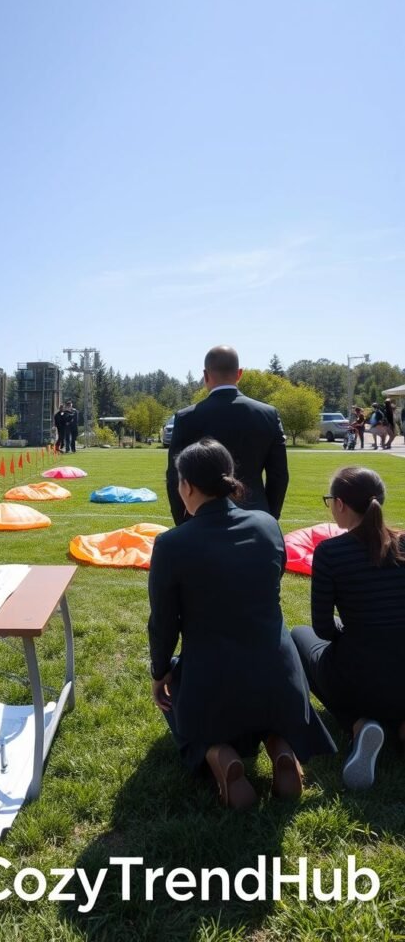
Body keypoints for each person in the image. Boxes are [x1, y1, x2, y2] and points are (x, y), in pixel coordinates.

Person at [149, 438, 335, 809]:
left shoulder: (172, 544)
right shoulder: (267, 525)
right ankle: (280, 745)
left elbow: (163, 623)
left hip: (213, 683)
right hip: (279, 678)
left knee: (178, 698)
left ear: (186, 486)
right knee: (263, 704)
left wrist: (158, 674)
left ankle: (220, 754)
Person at [291, 467, 405, 790]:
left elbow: (323, 629)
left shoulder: (330, 552)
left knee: (298, 637)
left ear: (340, 504)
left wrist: (351, 630)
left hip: (361, 676)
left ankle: (360, 726)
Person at [167, 345, 289, 525]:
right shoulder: (268, 415)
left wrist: (183, 523)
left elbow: (175, 477)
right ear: (239, 374)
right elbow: (279, 475)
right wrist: (269, 518)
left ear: (205, 376)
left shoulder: (187, 418)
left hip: (201, 521)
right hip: (256, 519)